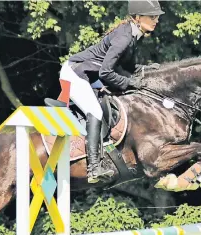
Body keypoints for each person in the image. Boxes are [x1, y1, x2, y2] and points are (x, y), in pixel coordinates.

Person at [59, 0, 165, 183]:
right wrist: (131, 83)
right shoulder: (124, 38)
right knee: (96, 112)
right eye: (152, 16)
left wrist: (148, 70)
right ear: (138, 18)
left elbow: (127, 68)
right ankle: (94, 167)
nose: (156, 20)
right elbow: (106, 72)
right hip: (75, 74)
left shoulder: (133, 36)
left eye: (156, 17)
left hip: (90, 76)